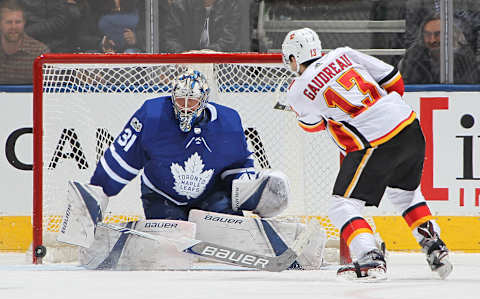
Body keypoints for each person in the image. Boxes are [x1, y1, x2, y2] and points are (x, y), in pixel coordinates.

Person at [60, 68, 325, 270]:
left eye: (192, 102)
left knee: (231, 221)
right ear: (172, 97)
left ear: (204, 101)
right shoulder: (151, 115)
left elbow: (239, 167)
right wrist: (95, 195)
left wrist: (254, 195)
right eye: (180, 101)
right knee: (173, 243)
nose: (185, 108)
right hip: (162, 196)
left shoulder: (229, 122)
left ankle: (242, 236)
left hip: (212, 197)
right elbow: (121, 159)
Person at [281, 27, 453, 280]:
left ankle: (370, 258)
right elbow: (396, 82)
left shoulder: (297, 90)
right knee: (404, 193)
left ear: (294, 59)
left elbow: (312, 126)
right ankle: (435, 247)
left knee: (342, 205)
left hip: (374, 140)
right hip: (409, 125)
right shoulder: (344, 53)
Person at [400, 14, 479, 84]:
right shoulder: (413, 56)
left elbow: (470, 88)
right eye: (427, 34)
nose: (432, 40)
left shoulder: (465, 58)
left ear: (451, 34)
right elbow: (408, 85)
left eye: (438, 34)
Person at [162, 0, 241, 53]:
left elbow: (230, 40)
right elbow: (169, 38)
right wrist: (184, 55)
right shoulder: (180, 5)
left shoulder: (231, 5)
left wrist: (203, 55)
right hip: (184, 66)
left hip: (221, 67)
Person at [0, 0, 49, 84]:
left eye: (18, 22)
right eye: (9, 22)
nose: (13, 27)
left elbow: (48, 90)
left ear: (24, 23)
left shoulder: (39, 53)